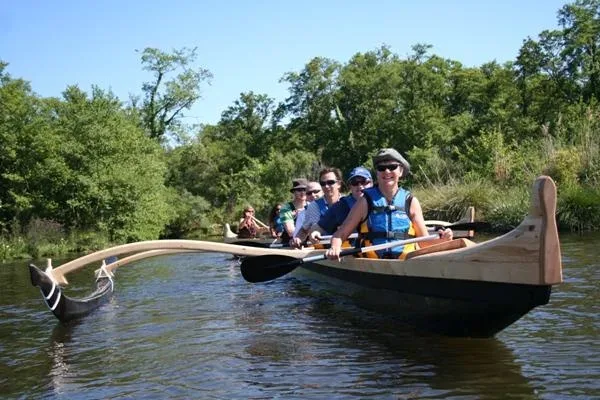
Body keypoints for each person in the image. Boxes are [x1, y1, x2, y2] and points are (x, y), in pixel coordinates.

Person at [325, 148, 453, 261]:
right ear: (377, 173)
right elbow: (340, 235)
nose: (387, 171)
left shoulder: (411, 202)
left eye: (392, 167)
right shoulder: (364, 201)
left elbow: (424, 242)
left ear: (401, 171)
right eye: (381, 168)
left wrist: (443, 240)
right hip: (372, 263)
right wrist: (335, 247)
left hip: (406, 262)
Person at [308, 166, 373, 243]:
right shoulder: (341, 206)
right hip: (353, 252)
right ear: (350, 186)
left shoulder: (383, 200)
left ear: (371, 183)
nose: (360, 186)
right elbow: (318, 227)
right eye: (354, 183)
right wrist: (315, 232)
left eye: (363, 182)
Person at [292, 167, 343, 248]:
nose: (326, 186)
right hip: (321, 253)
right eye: (323, 183)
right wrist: (298, 238)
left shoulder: (347, 203)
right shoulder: (313, 206)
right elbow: (304, 230)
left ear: (339, 184)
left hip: (347, 250)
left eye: (330, 182)